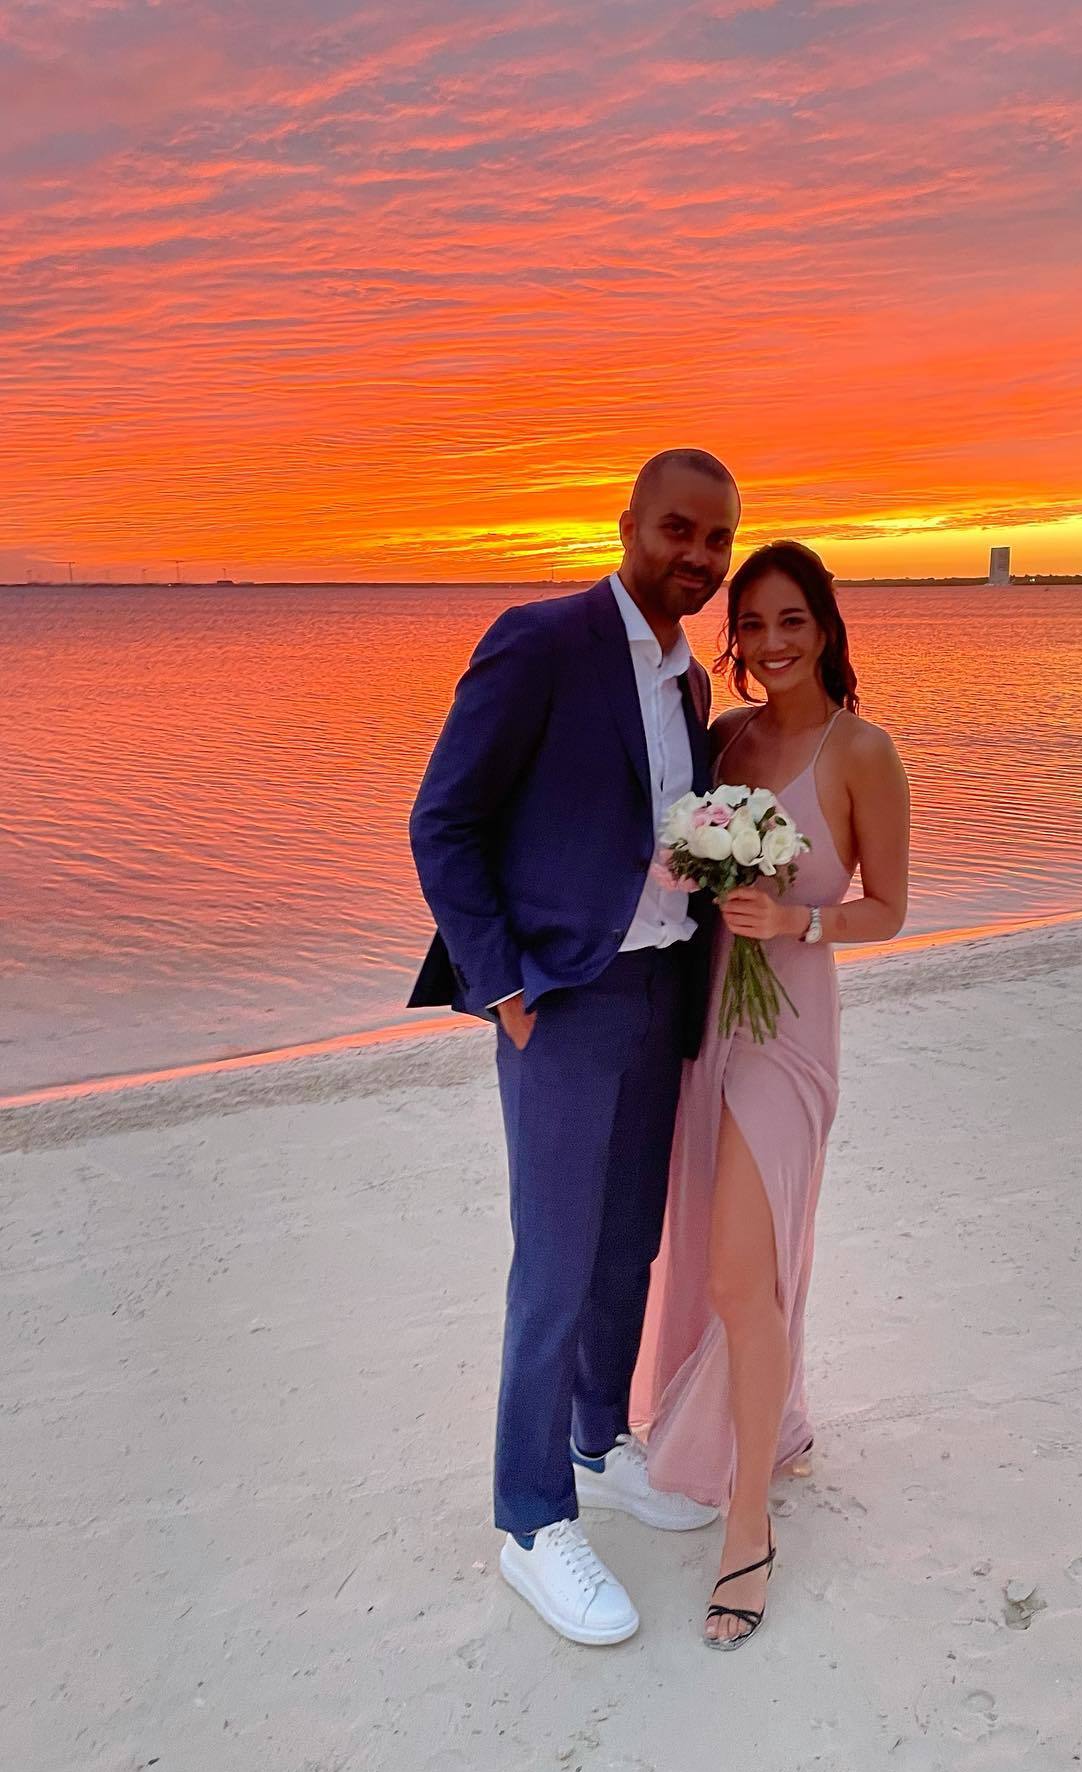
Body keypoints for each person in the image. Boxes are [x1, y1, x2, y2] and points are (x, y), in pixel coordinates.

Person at [408, 450, 741, 1646]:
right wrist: (501, 986)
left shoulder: (688, 684)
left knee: (626, 1246)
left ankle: (599, 1444)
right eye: (678, 530)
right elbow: (444, 821)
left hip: (660, 990)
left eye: (717, 540)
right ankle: (532, 1519)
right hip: (562, 1000)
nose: (697, 557)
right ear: (628, 525)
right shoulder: (542, 641)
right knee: (552, 1262)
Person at [635, 540, 910, 1648]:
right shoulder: (727, 739)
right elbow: (680, 853)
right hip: (710, 1018)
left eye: (791, 619)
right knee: (713, 1254)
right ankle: (770, 1427)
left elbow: (888, 907)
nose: (771, 641)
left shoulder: (863, 752)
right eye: (751, 623)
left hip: (789, 1034)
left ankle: (746, 1527)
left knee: (741, 1277)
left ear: (826, 627)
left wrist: (799, 918)